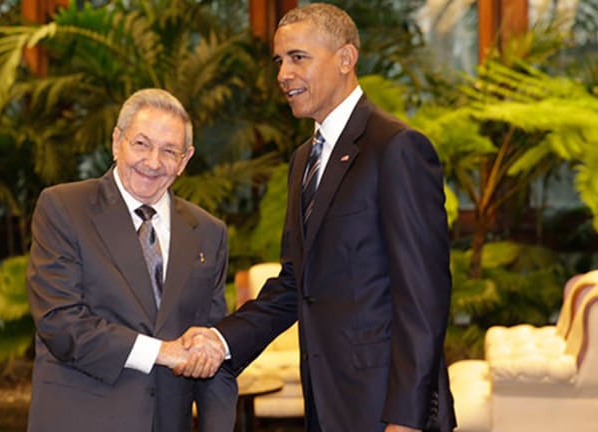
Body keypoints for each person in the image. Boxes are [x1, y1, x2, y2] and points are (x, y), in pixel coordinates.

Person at [179, 3, 455, 432]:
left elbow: (424, 298)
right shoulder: (303, 160)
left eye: (298, 58)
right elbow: (296, 284)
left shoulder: (397, 148)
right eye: (279, 61)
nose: (283, 74)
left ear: (346, 59)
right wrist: (221, 339)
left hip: (387, 411)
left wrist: (407, 419)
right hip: (327, 406)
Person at [25, 88, 237, 432]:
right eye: (141, 144)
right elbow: (60, 322)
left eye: (169, 151)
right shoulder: (64, 208)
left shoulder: (209, 232)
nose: (153, 162)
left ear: (185, 160)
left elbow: (211, 346)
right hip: (81, 421)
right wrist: (162, 352)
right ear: (116, 142)